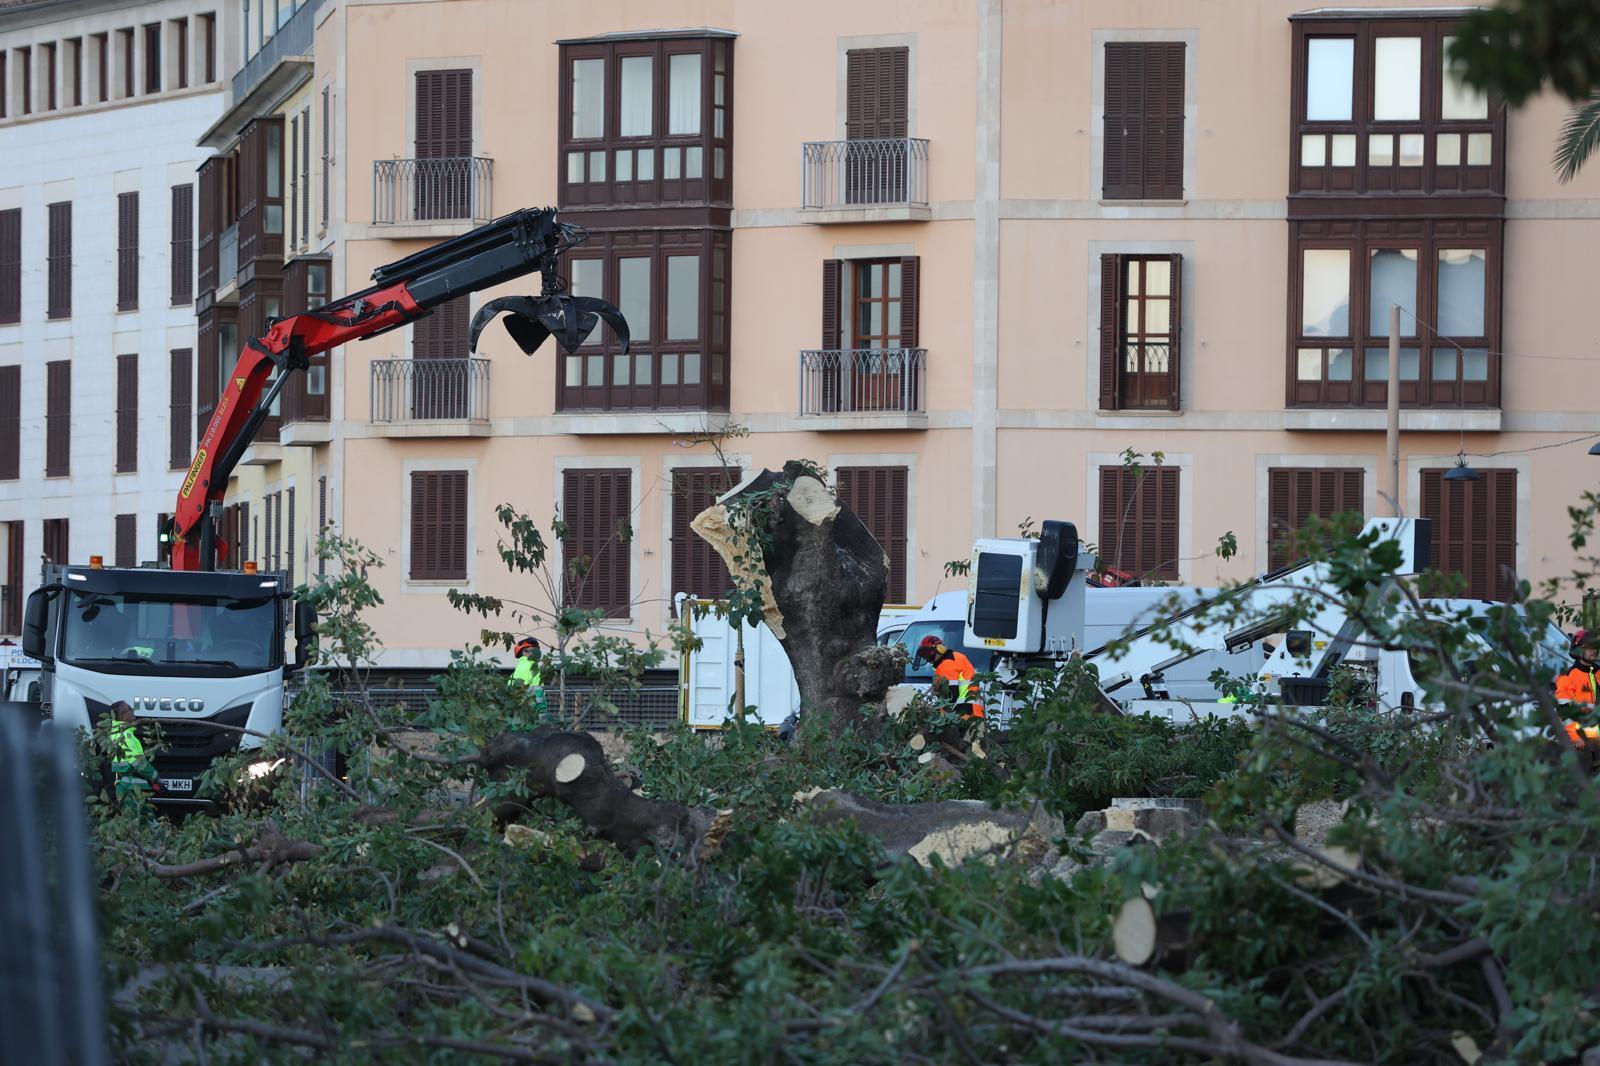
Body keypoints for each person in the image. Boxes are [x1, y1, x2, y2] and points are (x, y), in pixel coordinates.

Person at [916, 635, 984, 719]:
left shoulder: (947, 665)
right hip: (971, 709)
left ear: (939, 649)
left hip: (963, 711)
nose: (926, 658)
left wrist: (939, 715)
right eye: (924, 655)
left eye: (926, 654)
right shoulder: (956, 657)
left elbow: (951, 694)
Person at [107, 701, 158, 809]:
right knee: (138, 822)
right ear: (121, 716)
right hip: (131, 790)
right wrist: (156, 777)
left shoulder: (116, 732)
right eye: (129, 709)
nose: (132, 711)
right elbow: (139, 763)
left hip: (129, 787)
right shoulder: (126, 736)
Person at [1555, 630, 1599, 747]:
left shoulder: (1597, 672)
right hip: (1580, 744)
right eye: (1590, 647)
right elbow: (1563, 712)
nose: (1594, 650)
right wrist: (1575, 738)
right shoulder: (1567, 677)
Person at [508, 637, 548, 714]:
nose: (537, 652)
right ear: (524, 652)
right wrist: (542, 714)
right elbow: (538, 694)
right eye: (534, 649)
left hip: (517, 715)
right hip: (531, 715)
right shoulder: (533, 668)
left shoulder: (515, 672)